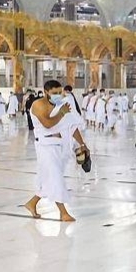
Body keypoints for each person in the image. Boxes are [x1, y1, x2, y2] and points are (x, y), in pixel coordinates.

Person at [24, 80, 88, 221]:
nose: (58, 95)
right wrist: (62, 113)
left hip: (61, 145)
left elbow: (71, 126)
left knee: (48, 178)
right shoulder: (38, 105)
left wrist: (82, 144)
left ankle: (32, 203)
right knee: (56, 177)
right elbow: (47, 124)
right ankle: (63, 212)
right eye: (54, 93)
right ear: (46, 92)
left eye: (60, 92)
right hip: (45, 146)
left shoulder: (62, 104)